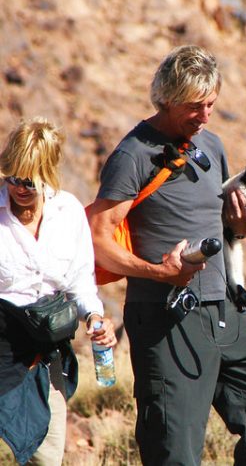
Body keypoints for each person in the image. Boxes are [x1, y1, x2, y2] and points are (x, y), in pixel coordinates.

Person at [87, 45, 246, 465]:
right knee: (174, 448)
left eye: (211, 105)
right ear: (166, 98)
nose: (205, 116)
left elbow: (220, 228)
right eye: (194, 107)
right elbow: (96, 238)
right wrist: (157, 272)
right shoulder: (133, 154)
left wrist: (238, 228)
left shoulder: (211, 145)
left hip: (226, 311)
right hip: (166, 315)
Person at [0, 117, 116, 466]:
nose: (20, 187)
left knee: (46, 456)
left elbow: (81, 281)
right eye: (13, 178)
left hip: (44, 355)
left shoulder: (68, 213)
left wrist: (95, 316)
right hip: (1, 347)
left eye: (31, 181)